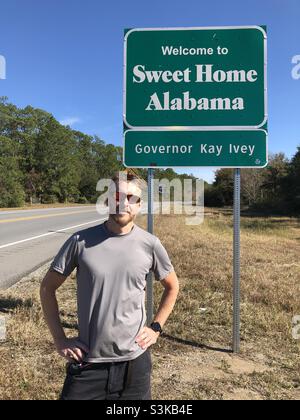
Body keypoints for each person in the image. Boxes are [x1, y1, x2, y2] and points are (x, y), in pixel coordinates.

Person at [40, 171, 179, 400]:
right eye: (117, 196)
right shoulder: (80, 242)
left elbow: (172, 286)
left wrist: (155, 328)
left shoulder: (150, 244)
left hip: (135, 364)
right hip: (88, 362)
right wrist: (60, 339)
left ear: (139, 205)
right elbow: (47, 288)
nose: (123, 203)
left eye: (130, 198)